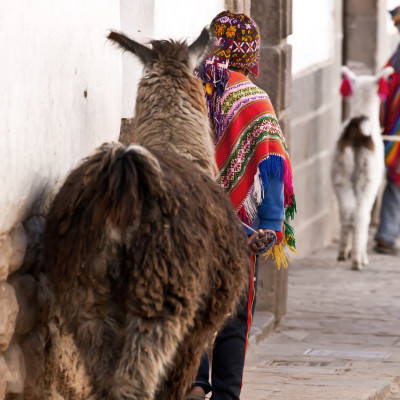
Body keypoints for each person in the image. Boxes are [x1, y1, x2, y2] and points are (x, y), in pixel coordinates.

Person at [186, 11, 296, 400]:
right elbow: (271, 164)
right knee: (234, 309)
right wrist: (270, 224)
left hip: (193, 215)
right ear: (250, 53)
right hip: (241, 227)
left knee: (194, 301)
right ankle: (227, 392)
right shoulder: (254, 98)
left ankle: (195, 383)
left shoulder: (192, 88)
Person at [374, 6, 400, 255]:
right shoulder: (396, 60)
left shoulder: (395, 59)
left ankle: (387, 233)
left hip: (393, 129)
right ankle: (386, 234)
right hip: (396, 130)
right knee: (396, 180)